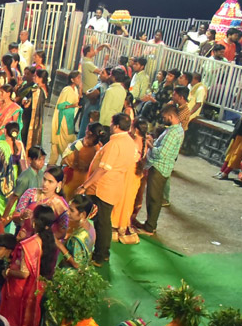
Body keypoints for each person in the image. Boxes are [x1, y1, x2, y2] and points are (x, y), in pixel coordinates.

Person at [77, 112, 137, 265]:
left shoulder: (114, 144)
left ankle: (100, 255)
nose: (110, 126)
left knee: (102, 223)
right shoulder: (130, 142)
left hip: (103, 188)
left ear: (116, 126)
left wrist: (85, 186)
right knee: (104, 222)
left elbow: (103, 169)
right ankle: (103, 253)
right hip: (115, 186)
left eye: (111, 123)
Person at [0, 206, 57, 326]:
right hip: (39, 287)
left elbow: (24, 273)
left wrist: (8, 271)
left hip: (22, 288)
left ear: (34, 222)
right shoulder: (50, 241)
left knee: (14, 318)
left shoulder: (29, 245)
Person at [137, 102, 184, 237]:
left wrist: (151, 145)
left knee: (154, 197)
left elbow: (161, 153)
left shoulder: (173, 133)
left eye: (164, 117)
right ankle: (149, 223)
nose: (163, 120)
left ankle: (150, 227)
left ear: (170, 116)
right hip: (161, 166)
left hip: (159, 167)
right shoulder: (174, 130)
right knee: (154, 196)